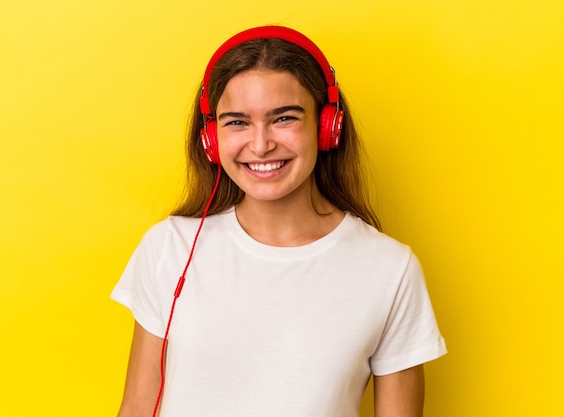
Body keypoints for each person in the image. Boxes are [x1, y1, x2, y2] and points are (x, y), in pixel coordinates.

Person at [111, 25, 446, 417]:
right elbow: (136, 407)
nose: (260, 144)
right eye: (237, 121)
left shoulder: (390, 269)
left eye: (284, 118)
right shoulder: (169, 247)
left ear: (327, 128)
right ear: (211, 138)